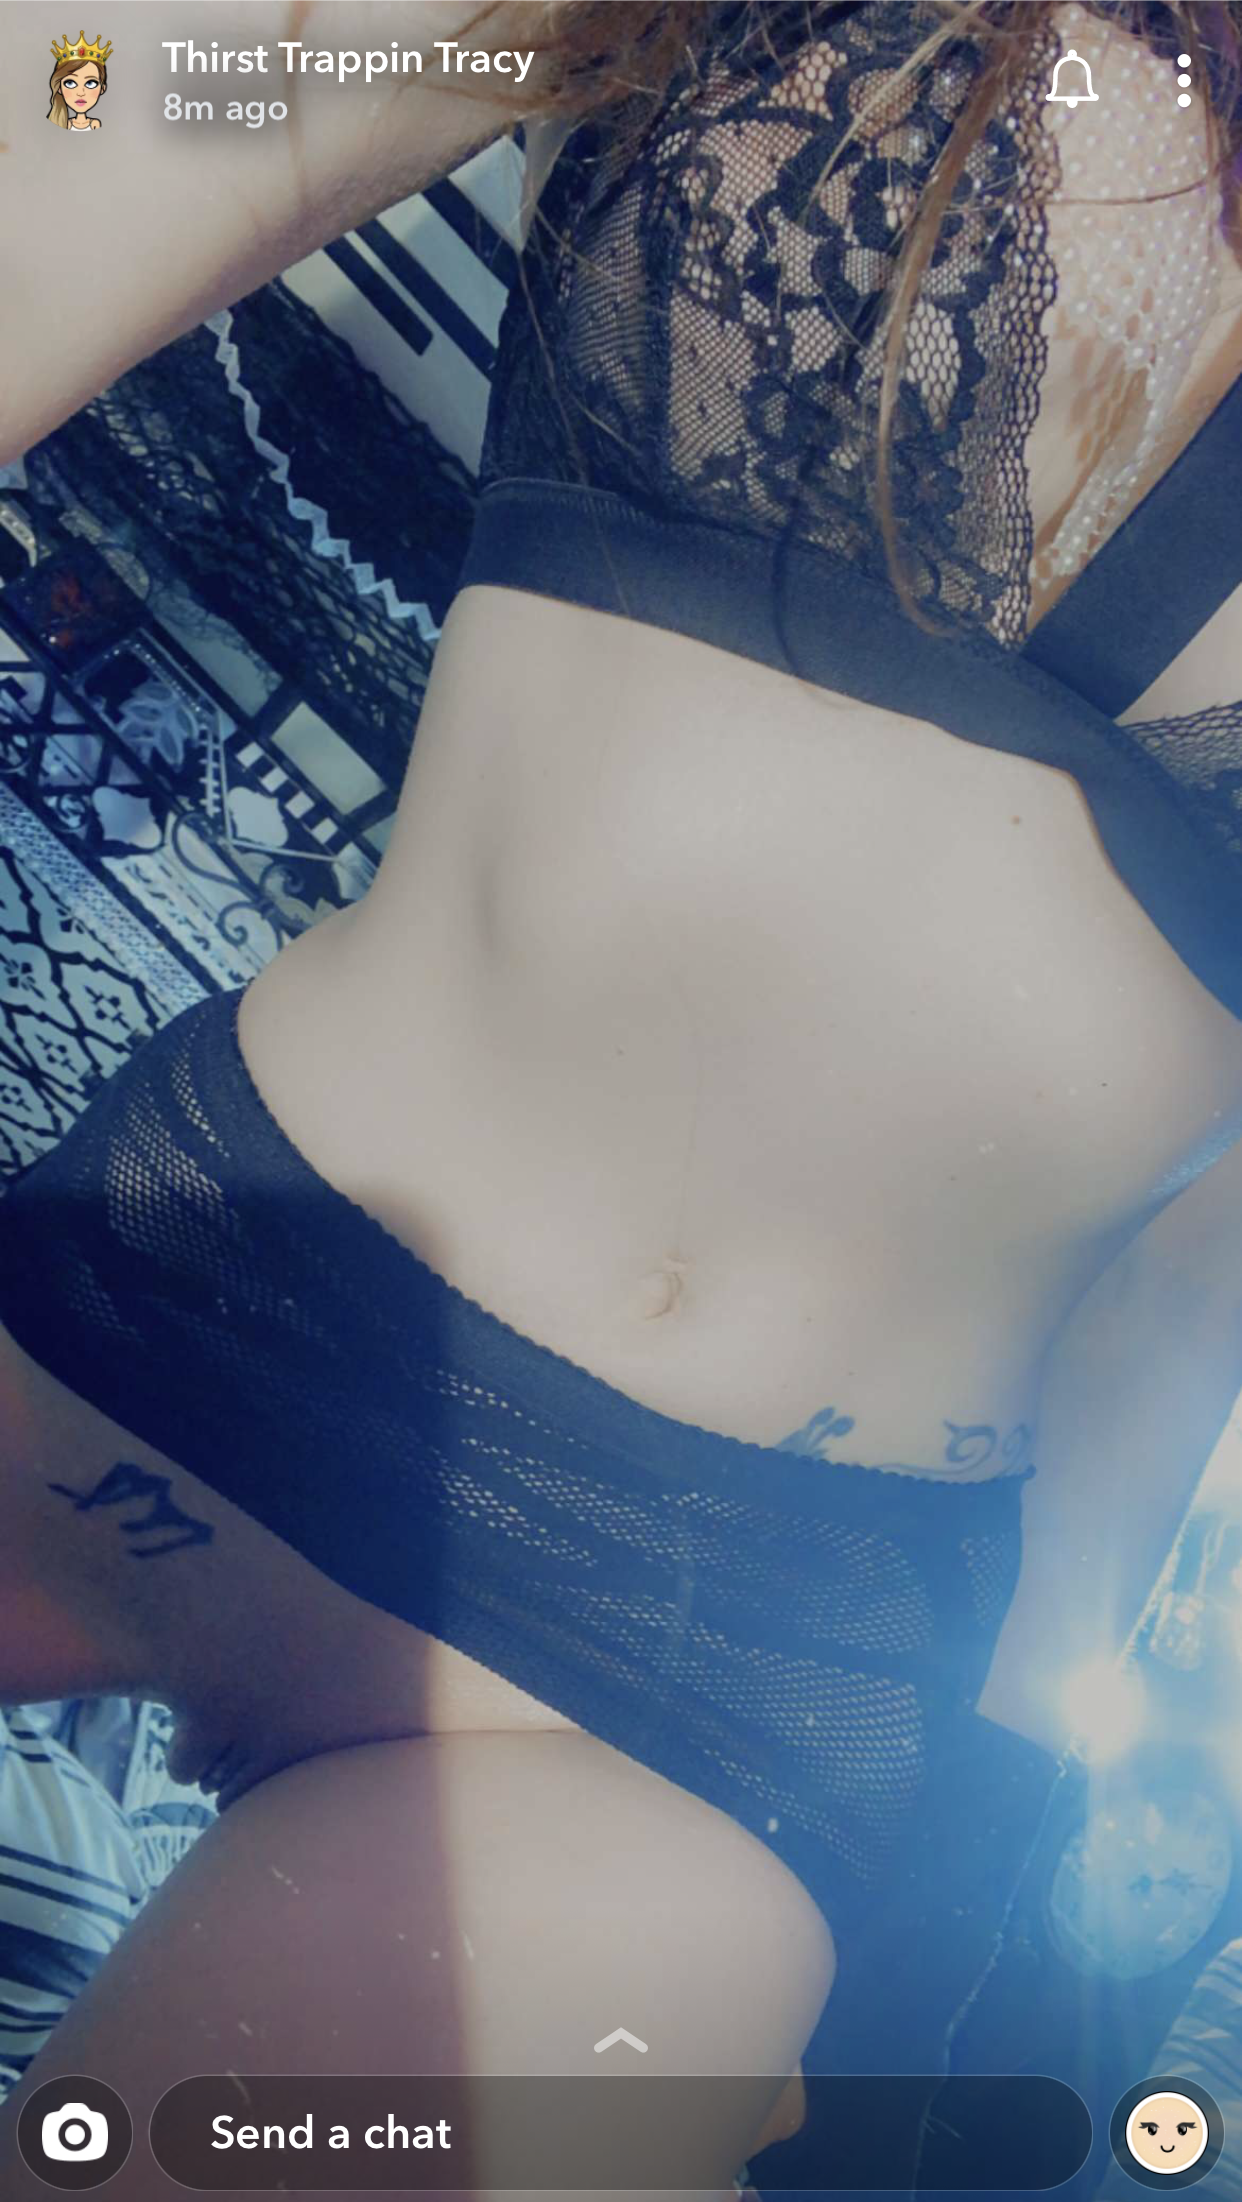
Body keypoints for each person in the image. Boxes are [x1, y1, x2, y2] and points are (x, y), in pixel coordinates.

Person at [1, 0, 1241, 2192]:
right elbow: (160, 111)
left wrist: (998, 1804)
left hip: (725, 1659)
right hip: (187, 1292)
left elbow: (1186, 1289)